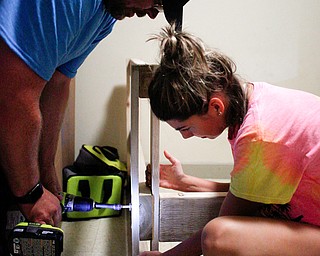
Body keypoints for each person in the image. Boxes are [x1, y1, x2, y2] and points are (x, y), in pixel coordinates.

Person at [0, 0, 191, 254]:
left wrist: (46, 171)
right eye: (156, 1)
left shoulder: (105, 17)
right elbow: (15, 96)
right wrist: (31, 194)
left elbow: (58, 84)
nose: (153, 13)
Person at [140, 26, 320, 255]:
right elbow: (248, 194)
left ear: (216, 106)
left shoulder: (260, 135)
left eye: (185, 128)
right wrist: (186, 182)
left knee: (218, 236)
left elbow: (229, 221)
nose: (186, 136)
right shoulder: (257, 100)